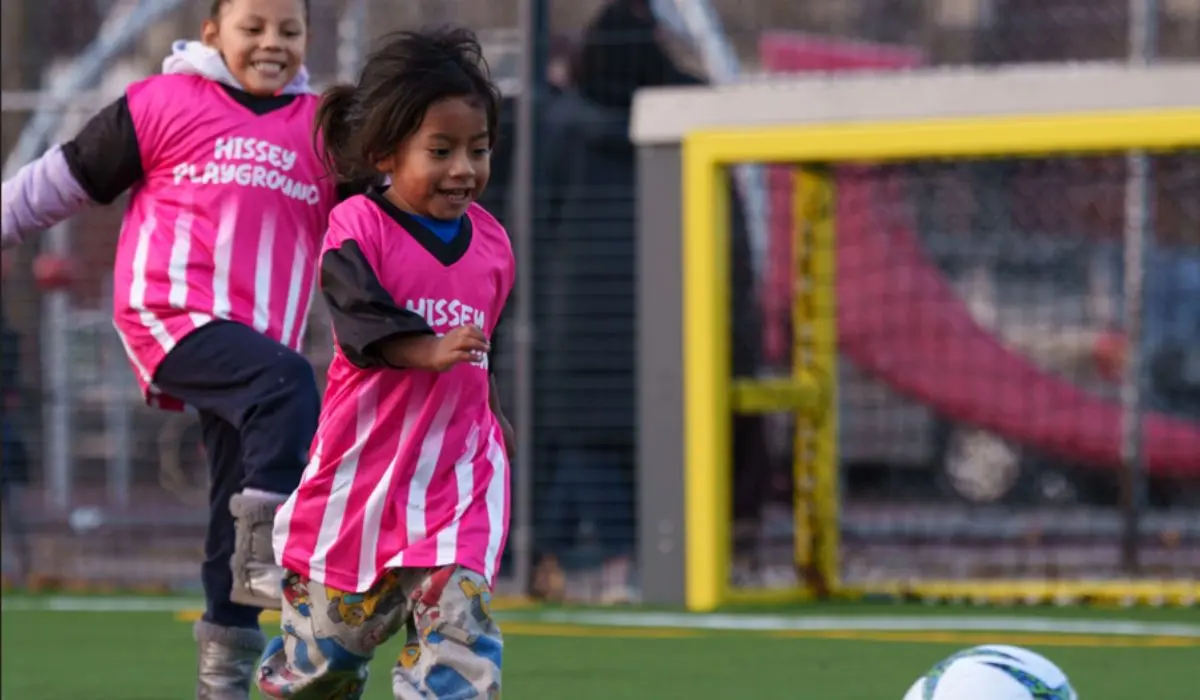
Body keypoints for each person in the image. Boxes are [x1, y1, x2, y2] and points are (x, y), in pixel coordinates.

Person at [0, 1, 340, 696]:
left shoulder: (325, 134)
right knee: (290, 387)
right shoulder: (163, 104)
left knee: (232, 498)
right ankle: (266, 550)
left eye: (289, 30)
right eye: (254, 27)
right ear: (213, 32)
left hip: (255, 349)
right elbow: (58, 181)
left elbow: (376, 225)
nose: (273, 43)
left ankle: (222, 676)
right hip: (171, 316)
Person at [257, 27, 514, 700]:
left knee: (460, 630)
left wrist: (493, 414)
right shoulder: (357, 229)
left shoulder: (493, 245)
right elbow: (360, 321)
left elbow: (485, 347)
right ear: (385, 154)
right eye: (442, 150)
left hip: (458, 478)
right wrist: (428, 350)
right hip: (360, 480)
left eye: (478, 149)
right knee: (327, 661)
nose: (464, 168)